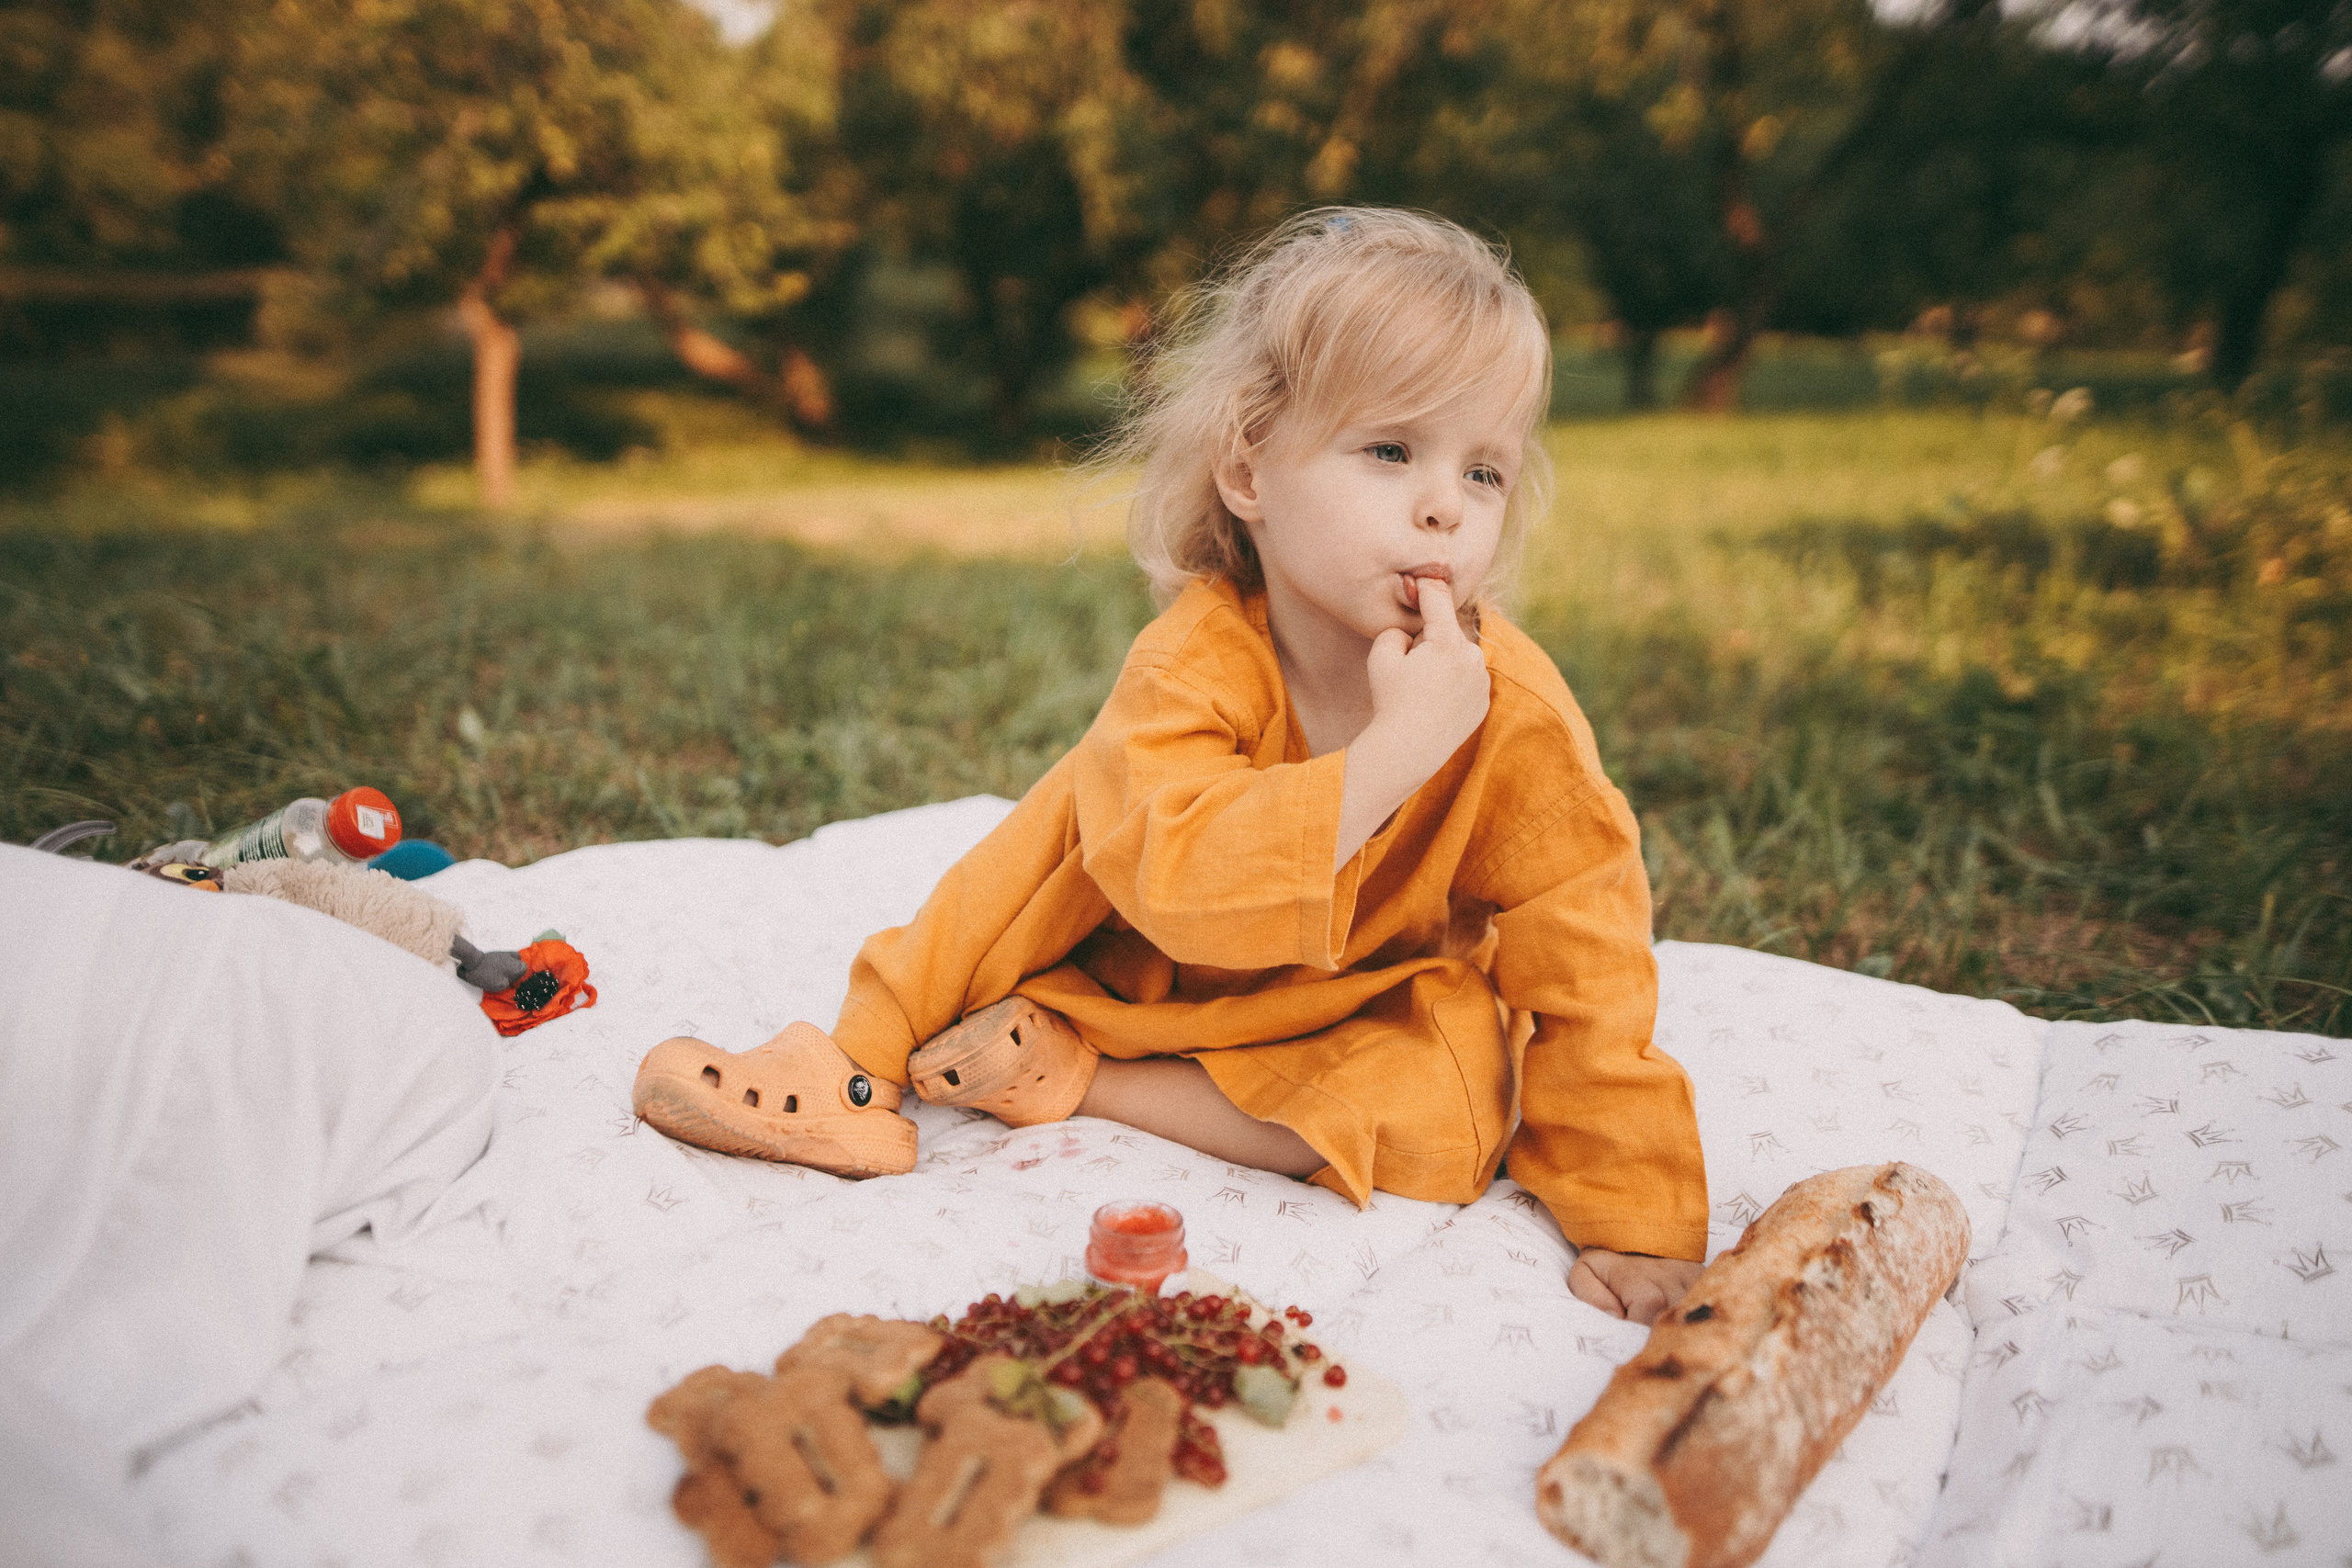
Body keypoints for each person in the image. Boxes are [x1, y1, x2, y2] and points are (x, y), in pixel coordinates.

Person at [633, 208, 1707, 1324]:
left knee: (1459, 1110)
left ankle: (1074, 1083)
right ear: (1249, 467)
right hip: (1141, 972)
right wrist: (1391, 756)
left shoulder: (1507, 708)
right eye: (1390, 449)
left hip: (1342, 1009)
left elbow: (1589, 961)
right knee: (1058, 830)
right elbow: (1178, 885)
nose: (1445, 503)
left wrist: (1633, 1210)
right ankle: (852, 1061)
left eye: (1482, 471)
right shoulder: (1201, 655)